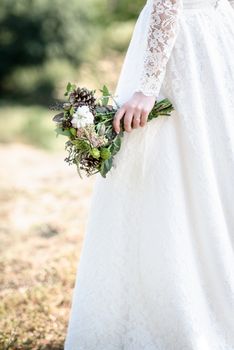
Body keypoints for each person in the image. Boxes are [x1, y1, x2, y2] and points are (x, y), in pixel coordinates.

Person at [64, 0, 234, 348]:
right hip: (216, 33)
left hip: (182, 44)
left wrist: (147, 86)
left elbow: (166, 3)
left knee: (166, 165)